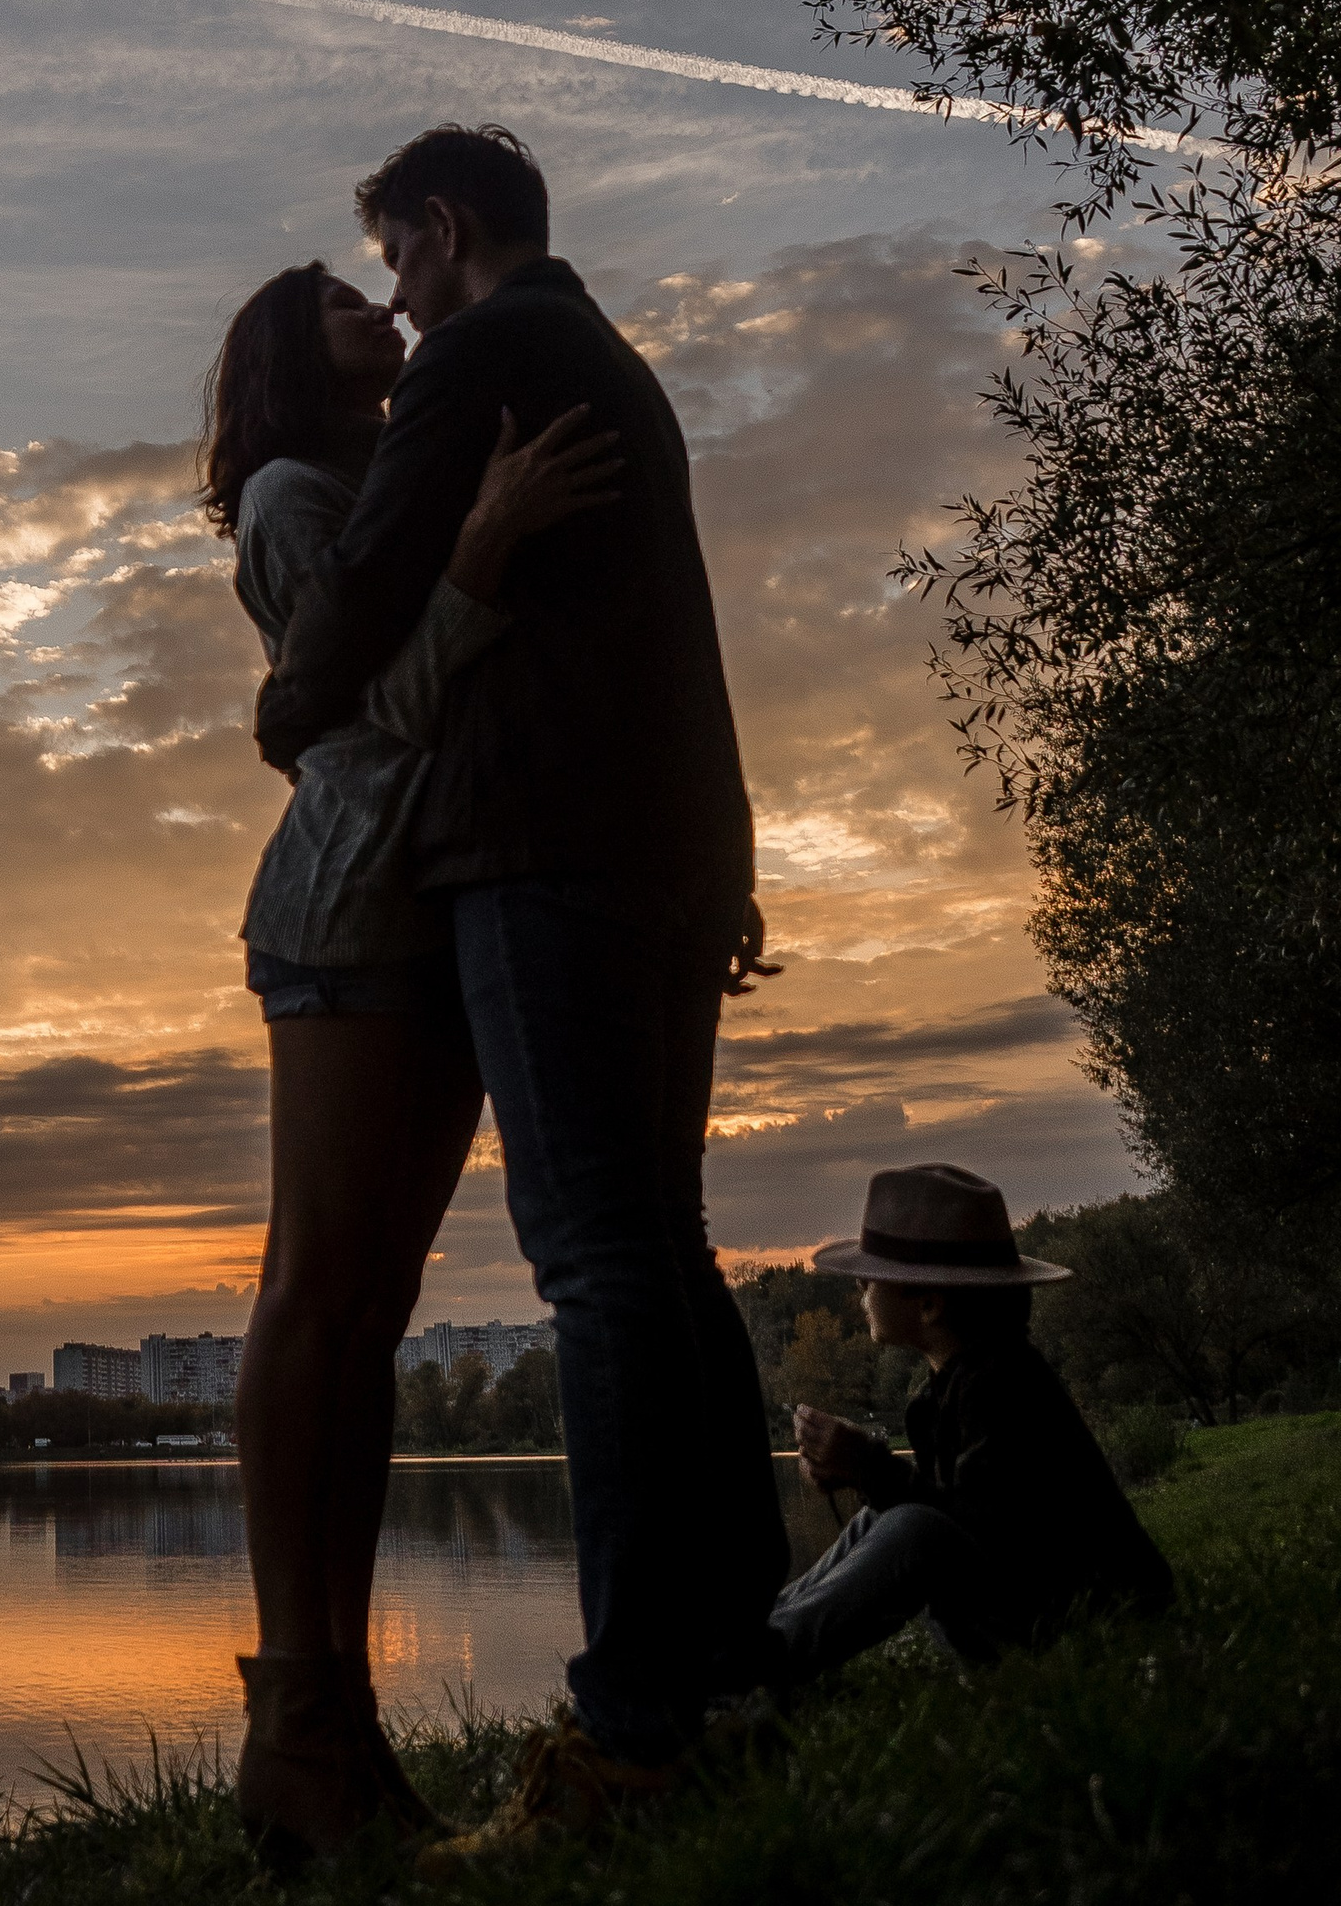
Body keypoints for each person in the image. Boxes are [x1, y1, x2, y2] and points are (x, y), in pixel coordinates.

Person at [255, 124, 788, 1841]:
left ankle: (632, 1722)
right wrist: (728, 857)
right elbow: (667, 631)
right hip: (636, 852)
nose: (393, 305)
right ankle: (722, 1668)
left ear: (445, 227)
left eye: (389, 262)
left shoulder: (485, 352)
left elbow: (330, 661)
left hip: (543, 855)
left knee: (599, 1259)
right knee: (657, 1246)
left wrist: (283, 708)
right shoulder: (607, 358)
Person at [203, 255, 624, 1865]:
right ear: (281, 355)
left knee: (371, 1317)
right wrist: (491, 541)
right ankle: (295, 1728)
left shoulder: (387, 472)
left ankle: (341, 1737)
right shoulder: (296, 491)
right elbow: (352, 714)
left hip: (428, 907)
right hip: (344, 912)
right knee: (316, 1294)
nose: (379, 311)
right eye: (338, 303)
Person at [777, 1162, 1173, 1682]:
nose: (861, 1292)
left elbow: (977, 1532)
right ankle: (758, 1639)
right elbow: (961, 1512)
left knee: (911, 1526)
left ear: (929, 1304)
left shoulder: (1002, 1386)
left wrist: (867, 1463)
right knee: (884, 1518)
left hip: (1079, 1619)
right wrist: (858, 1472)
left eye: (870, 1280)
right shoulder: (962, 1381)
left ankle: (761, 1666)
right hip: (1031, 1608)